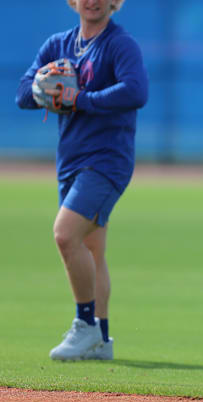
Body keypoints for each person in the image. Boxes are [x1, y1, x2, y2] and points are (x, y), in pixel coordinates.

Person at [15, 0, 148, 361]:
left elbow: (136, 91)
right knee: (92, 250)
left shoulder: (120, 44)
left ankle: (85, 324)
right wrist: (44, 86)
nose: (92, 1)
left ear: (114, 3)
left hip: (107, 160)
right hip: (71, 158)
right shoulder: (58, 44)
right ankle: (102, 341)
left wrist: (81, 98)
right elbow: (23, 93)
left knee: (65, 234)